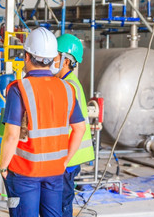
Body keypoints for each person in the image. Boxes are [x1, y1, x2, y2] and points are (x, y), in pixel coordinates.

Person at [0, 27, 86, 217]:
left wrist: (3, 166)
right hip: (55, 171)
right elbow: (80, 128)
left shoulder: (18, 89)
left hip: (24, 173)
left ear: (27, 57)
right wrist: (65, 161)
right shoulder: (67, 89)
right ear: (53, 59)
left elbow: (12, 135)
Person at [50, 33, 95, 217]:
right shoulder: (64, 83)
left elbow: (69, 127)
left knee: (61, 206)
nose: (51, 61)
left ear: (66, 61)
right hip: (69, 157)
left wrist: (64, 160)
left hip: (68, 159)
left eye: (55, 57)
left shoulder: (69, 86)